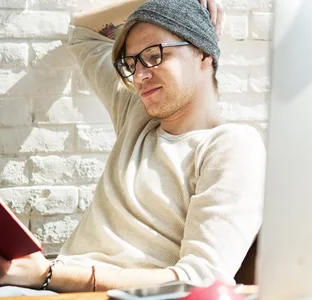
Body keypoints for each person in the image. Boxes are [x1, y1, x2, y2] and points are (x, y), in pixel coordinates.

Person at [0, 0, 266, 294]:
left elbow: (200, 277)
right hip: (48, 282)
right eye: (131, 63)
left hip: (107, 293)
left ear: (203, 52)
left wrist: (48, 274)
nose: (139, 76)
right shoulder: (137, 114)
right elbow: (83, 31)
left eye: (154, 55)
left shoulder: (231, 146)